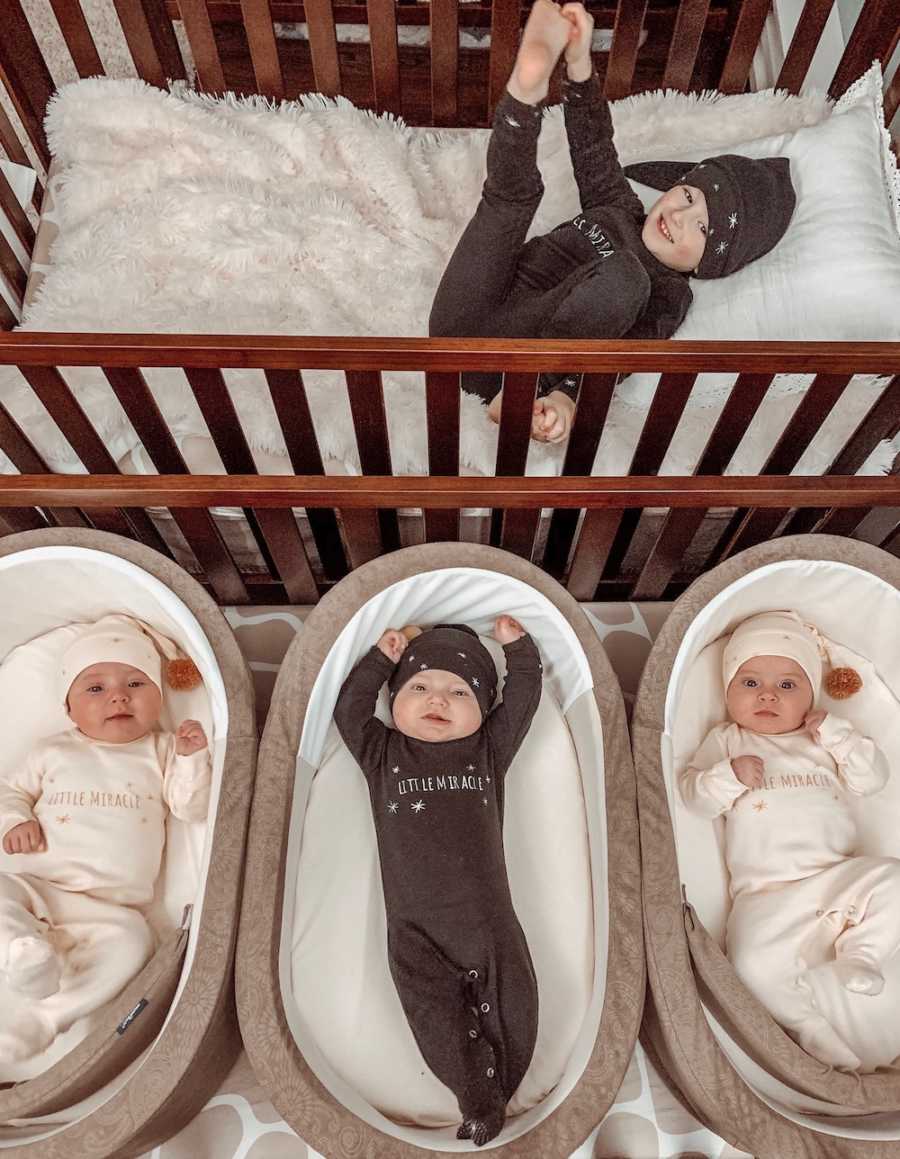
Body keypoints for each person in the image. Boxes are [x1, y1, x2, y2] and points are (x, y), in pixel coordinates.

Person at [429, 0, 796, 445]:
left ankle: (526, 390)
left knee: (627, 274)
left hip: (520, 365)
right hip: (460, 322)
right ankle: (524, 95)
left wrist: (567, 396)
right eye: (685, 196)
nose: (678, 216)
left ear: (710, 265)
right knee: (511, 200)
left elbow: (626, 352)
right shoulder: (618, 203)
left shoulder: (671, 291)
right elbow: (593, 144)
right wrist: (580, 63)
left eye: (702, 228)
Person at [334, 617, 543, 1145]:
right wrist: (382, 657)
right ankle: (475, 1092)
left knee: (514, 995)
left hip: (488, 915)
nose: (438, 700)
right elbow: (349, 708)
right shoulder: (382, 753)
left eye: (459, 691)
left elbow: (522, 699)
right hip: (412, 924)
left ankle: (506, 1078)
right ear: (394, 699)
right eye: (419, 687)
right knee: (430, 1010)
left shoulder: (488, 752)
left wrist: (518, 649)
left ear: (483, 709)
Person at [681, 610, 900, 1069]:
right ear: (727, 694)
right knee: (750, 965)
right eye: (749, 683)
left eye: (786, 685)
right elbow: (694, 797)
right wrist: (729, 776)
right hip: (766, 895)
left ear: (812, 696)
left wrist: (839, 736)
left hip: (836, 876)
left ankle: (862, 953)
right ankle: (814, 1036)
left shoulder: (823, 738)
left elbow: (873, 779)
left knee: (895, 880)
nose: (767, 694)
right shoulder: (728, 741)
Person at [0, 614, 210, 1064]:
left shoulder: (162, 750)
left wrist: (193, 758)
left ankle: (44, 1019)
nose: (117, 695)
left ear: (158, 696)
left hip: (111, 909)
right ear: (69, 708)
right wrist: (14, 821)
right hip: (36, 883)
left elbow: (190, 808)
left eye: (135, 684)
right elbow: (10, 790)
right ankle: (23, 956)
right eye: (95, 688)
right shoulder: (52, 750)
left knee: (135, 946)